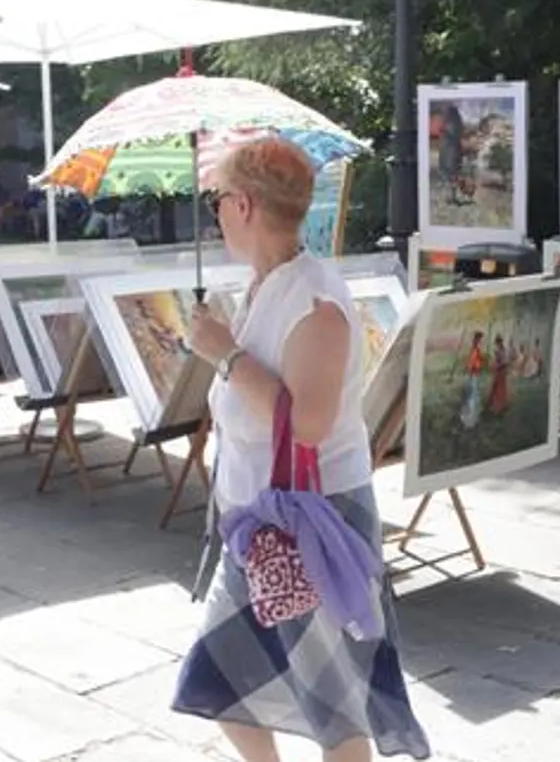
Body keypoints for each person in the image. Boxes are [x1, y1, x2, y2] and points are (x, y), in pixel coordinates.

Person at [174, 136, 428, 762]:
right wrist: (224, 341)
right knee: (218, 680)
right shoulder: (263, 287)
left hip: (312, 522)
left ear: (245, 205)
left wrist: (224, 354)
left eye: (218, 200)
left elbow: (308, 422)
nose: (215, 214)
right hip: (255, 525)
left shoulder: (315, 301)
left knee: (334, 709)